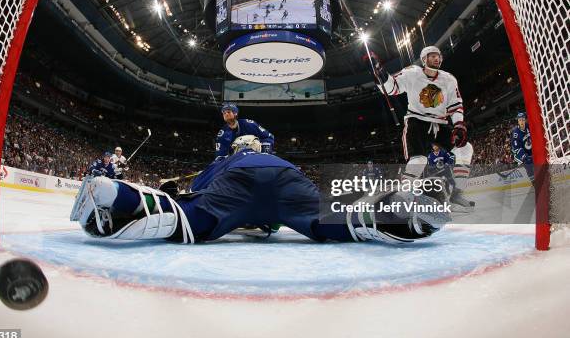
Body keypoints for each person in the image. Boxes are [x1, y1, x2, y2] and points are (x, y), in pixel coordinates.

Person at [70, 136, 450, 244]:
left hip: (238, 188)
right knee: (336, 220)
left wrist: (177, 191)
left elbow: (198, 189)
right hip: (288, 182)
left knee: (188, 218)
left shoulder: (228, 160)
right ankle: (395, 209)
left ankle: (116, 195)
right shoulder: (276, 158)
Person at [370, 45, 474, 211]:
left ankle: (456, 193)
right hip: (416, 122)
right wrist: (381, 75)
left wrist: (459, 125)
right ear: (424, 59)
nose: (436, 58)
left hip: (439, 123)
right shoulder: (413, 72)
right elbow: (393, 88)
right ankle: (403, 197)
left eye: (438, 56)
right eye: (432, 56)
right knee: (419, 160)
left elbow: (456, 105)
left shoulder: (449, 79)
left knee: (465, 149)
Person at [511, 112, 534, 184]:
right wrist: (523, 155)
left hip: (533, 151)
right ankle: (535, 184)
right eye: (520, 120)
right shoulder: (516, 133)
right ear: (518, 121)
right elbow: (516, 147)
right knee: (529, 167)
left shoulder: (529, 126)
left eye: (523, 119)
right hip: (524, 154)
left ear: (525, 120)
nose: (521, 121)